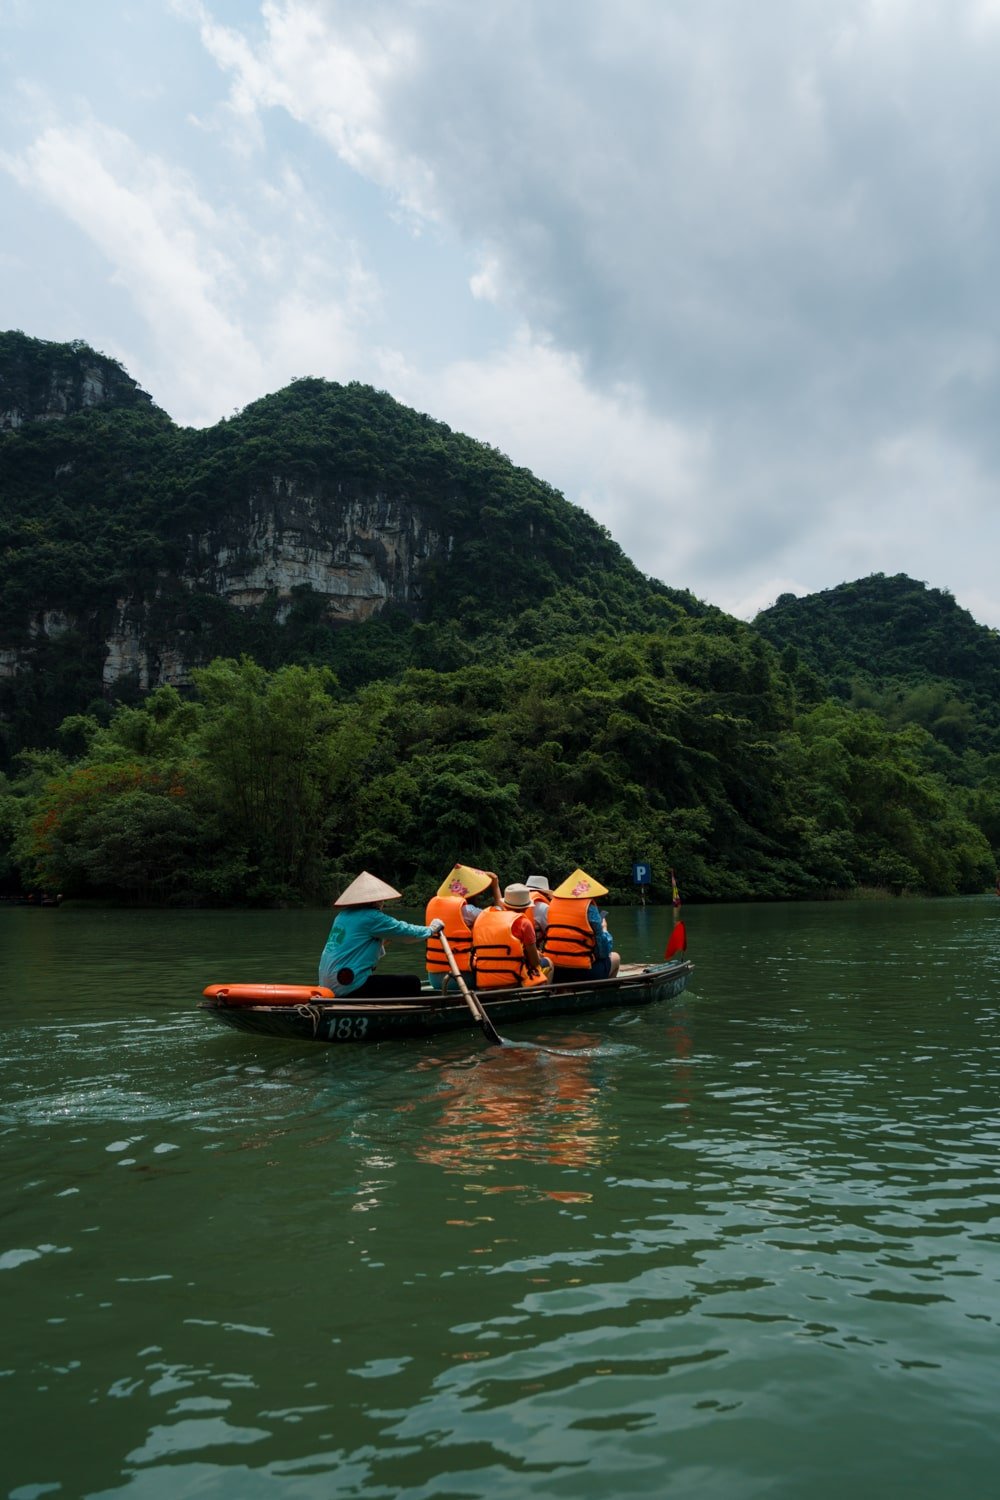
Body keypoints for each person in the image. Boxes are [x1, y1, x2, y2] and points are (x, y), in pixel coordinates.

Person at [319, 871, 444, 998]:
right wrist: (431, 930)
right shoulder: (372, 917)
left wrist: (381, 944)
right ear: (376, 901)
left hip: (327, 984)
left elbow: (353, 946)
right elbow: (406, 932)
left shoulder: (341, 916)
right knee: (412, 982)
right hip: (350, 985)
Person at [425, 864, 501, 991]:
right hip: (461, 979)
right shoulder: (467, 910)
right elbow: (500, 917)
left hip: (434, 978)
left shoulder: (433, 906)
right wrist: (495, 887)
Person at [545, 868, 620, 983]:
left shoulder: (552, 905)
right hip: (583, 973)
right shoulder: (590, 909)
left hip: (556, 971)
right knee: (615, 957)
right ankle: (603, 994)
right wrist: (604, 929)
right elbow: (603, 952)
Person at [471, 883, 553, 989]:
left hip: (483, 980)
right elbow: (535, 962)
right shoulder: (523, 922)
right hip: (513, 981)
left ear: (505, 904)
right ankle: (541, 998)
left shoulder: (483, 919)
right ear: (526, 907)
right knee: (548, 963)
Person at [523, 874, 553, 941]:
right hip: (531, 948)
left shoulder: (513, 903)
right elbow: (551, 933)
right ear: (545, 894)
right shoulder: (544, 907)